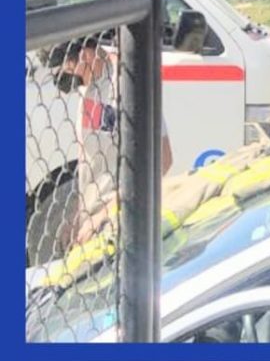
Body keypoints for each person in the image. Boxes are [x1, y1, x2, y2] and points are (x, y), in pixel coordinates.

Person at [43, 35, 173, 245]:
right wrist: (79, 212)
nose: (64, 79)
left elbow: (163, 160)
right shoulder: (88, 86)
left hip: (125, 216)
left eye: (64, 69)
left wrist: (104, 214)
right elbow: (89, 157)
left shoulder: (129, 84)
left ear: (84, 55)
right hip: (93, 217)